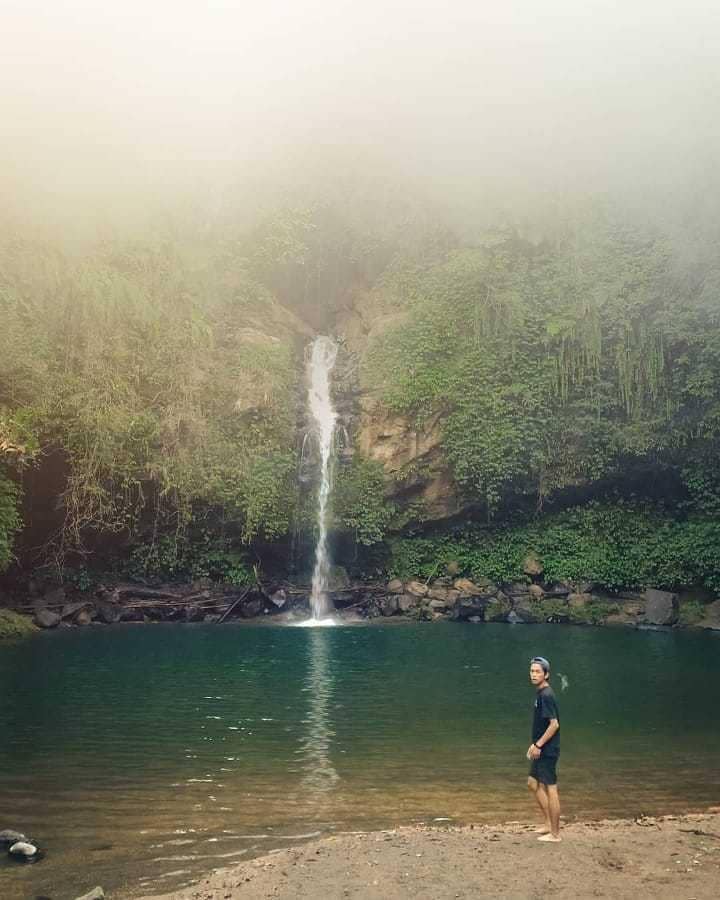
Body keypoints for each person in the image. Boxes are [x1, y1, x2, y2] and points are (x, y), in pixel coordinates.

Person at [526, 655, 561, 842]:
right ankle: (548, 824)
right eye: (532, 671)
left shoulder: (546, 695)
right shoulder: (540, 693)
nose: (533, 674)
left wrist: (539, 744)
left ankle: (555, 834)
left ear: (546, 675)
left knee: (551, 788)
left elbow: (554, 725)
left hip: (547, 750)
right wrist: (534, 744)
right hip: (540, 747)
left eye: (538, 671)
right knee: (533, 783)